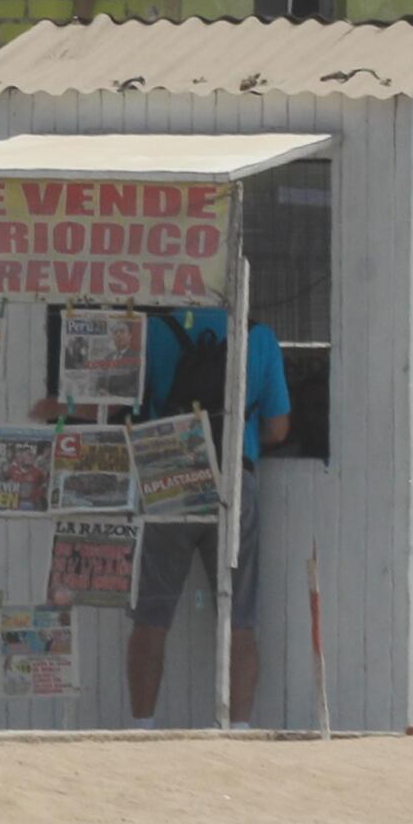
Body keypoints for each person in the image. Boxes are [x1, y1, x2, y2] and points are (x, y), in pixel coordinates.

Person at [126, 304, 291, 726]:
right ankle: (238, 729)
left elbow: (125, 407)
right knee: (240, 620)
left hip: (170, 472)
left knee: (151, 617)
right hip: (235, 477)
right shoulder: (259, 337)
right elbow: (278, 428)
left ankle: (142, 729)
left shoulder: (154, 331)